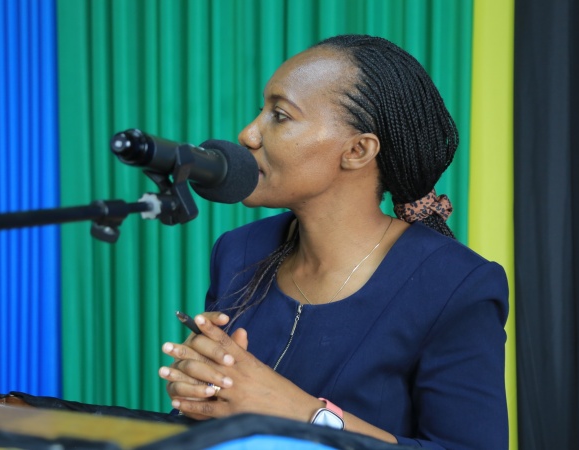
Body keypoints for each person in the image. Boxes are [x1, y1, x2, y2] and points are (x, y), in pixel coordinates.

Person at [157, 34, 509, 450]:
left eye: (280, 116)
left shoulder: (456, 286)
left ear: (358, 150)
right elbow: (216, 417)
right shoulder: (239, 250)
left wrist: (303, 413)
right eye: (260, 111)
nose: (248, 134)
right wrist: (199, 396)